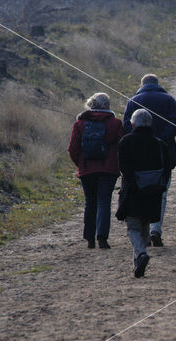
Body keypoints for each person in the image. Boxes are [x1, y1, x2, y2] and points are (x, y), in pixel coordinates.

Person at [123, 73, 176, 248]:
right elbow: (175, 124)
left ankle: (143, 230)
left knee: (140, 191)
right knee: (161, 192)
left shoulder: (133, 101)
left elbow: (126, 124)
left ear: (142, 84)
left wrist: (138, 140)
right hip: (165, 154)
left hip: (138, 154)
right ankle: (156, 229)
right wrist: (160, 140)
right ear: (157, 83)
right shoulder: (169, 100)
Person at [116, 109, 170, 278]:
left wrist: (133, 184)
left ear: (133, 124)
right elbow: (167, 169)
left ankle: (140, 254)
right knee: (145, 223)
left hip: (133, 190)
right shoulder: (160, 144)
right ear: (150, 124)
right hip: (153, 191)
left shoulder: (126, 141)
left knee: (133, 226)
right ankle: (138, 262)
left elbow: (123, 168)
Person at [68, 92, 122, 249]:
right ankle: (102, 237)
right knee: (104, 201)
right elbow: (121, 147)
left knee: (90, 202)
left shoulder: (79, 124)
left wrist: (80, 164)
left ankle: (89, 238)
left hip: (87, 169)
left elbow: (72, 149)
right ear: (107, 105)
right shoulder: (115, 123)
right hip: (108, 169)